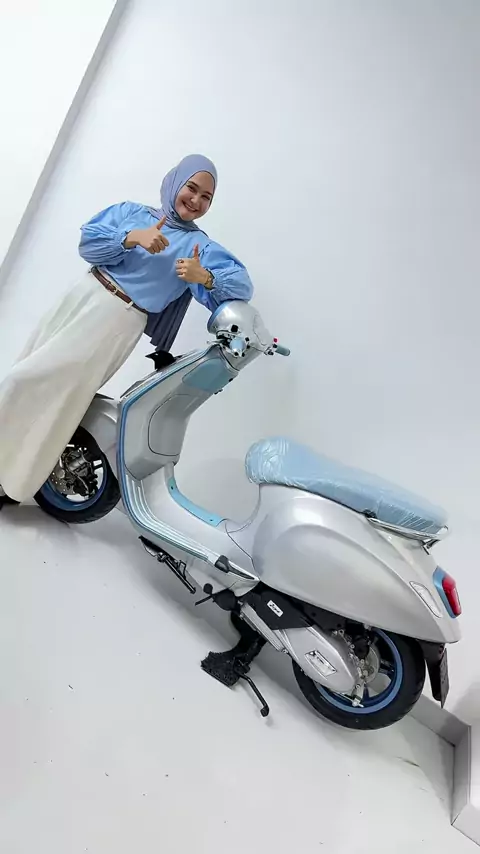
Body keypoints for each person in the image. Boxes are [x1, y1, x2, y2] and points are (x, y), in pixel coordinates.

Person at [0, 154, 253, 506]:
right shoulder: (132, 213)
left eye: (206, 197)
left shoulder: (201, 247)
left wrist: (205, 277)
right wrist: (132, 238)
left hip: (116, 319)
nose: (196, 200)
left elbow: (242, 286)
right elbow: (88, 243)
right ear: (175, 182)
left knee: (34, 383)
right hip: (82, 296)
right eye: (192, 188)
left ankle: (12, 481)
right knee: (31, 377)